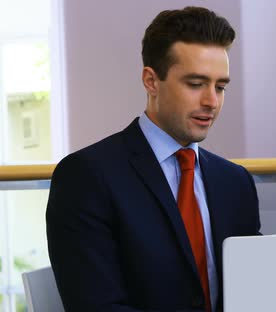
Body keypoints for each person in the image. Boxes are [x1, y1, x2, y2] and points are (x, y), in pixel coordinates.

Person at [46, 7, 260, 311]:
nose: (212, 101)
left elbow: (255, 294)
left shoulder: (235, 182)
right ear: (151, 81)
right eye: (196, 84)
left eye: (220, 86)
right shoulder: (86, 177)